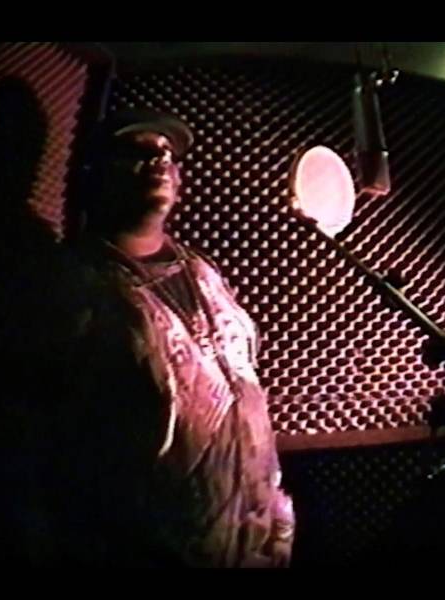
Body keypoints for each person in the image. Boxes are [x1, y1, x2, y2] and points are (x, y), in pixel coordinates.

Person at [63, 109, 295, 567]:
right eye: (137, 151)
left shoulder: (203, 273)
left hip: (255, 540)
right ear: (97, 172)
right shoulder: (74, 284)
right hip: (156, 549)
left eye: (167, 153)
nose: (158, 160)